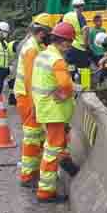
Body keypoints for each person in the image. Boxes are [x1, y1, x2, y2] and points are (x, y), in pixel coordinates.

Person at [31, 22, 78, 203]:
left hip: (44, 107)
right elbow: (65, 84)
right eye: (70, 42)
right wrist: (65, 94)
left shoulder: (43, 55)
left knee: (58, 143)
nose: (70, 46)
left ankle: (66, 163)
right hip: (55, 111)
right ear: (65, 42)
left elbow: (36, 83)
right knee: (52, 150)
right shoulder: (57, 60)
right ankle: (46, 192)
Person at [15, 14, 52, 188]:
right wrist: (36, 105)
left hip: (28, 97)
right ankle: (27, 176)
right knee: (31, 137)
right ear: (42, 32)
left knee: (36, 136)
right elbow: (31, 80)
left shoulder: (35, 45)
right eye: (48, 33)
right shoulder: (31, 49)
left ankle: (33, 172)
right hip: (27, 98)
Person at [63, 0, 91, 90]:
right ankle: (86, 88)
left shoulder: (66, 16)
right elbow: (85, 30)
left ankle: (71, 86)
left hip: (69, 45)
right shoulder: (80, 16)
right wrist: (86, 44)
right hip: (80, 46)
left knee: (70, 65)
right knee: (84, 68)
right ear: (82, 6)